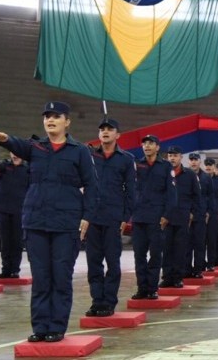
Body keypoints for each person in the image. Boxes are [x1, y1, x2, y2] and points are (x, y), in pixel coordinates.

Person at [0, 102, 98, 343]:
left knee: (60, 276)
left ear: (67, 122)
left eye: (56, 117)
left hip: (66, 223)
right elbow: (18, 144)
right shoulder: (36, 147)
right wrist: (5, 139)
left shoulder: (79, 150)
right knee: (41, 277)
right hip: (36, 221)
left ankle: (57, 327)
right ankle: (40, 327)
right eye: (47, 117)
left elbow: (92, 185)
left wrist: (87, 216)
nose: (50, 120)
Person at [86, 118, 136, 317]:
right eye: (102, 130)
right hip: (92, 217)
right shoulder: (90, 157)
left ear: (118, 135)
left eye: (109, 129)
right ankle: (97, 300)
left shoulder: (126, 159)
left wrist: (125, 217)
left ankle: (109, 302)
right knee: (93, 262)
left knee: (113, 262)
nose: (105, 132)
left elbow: (131, 191)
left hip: (114, 217)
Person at [132, 135, 177, 300]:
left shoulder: (165, 167)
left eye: (151, 143)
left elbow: (172, 194)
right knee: (139, 255)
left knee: (156, 254)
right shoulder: (137, 165)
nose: (147, 146)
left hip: (157, 217)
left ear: (157, 147)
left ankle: (152, 288)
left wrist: (166, 215)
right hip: (139, 217)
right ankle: (141, 288)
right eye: (144, 143)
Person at [161, 146, 200, 288]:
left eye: (175, 155)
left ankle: (178, 277)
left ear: (180, 157)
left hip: (182, 216)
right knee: (166, 249)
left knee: (180, 249)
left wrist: (193, 213)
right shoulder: (163, 172)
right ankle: (166, 277)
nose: (172, 158)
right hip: (165, 218)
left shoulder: (189, 175)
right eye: (170, 155)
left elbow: (197, 196)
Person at [0, 151, 27, 280]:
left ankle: (14, 269)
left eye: (17, 153)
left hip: (20, 211)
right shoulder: (4, 167)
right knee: (5, 242)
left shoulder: (27, 170)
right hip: (4, 210)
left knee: (16, 242)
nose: (15, 155)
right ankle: (5, 269)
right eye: (13, 153)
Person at [186, 153, 212, 278]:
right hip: (186, 215)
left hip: (201, 214)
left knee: (199, 244)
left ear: (199, 161)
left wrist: (208, 211)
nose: (193, 162)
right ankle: (186, 269)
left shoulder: (206, 178)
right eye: (191, 160)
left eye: (195, 160)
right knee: (186, 244)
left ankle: (198, 269)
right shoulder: (184, 175)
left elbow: (210, 196)